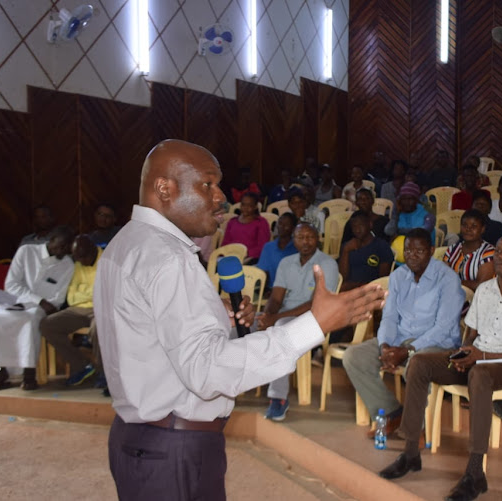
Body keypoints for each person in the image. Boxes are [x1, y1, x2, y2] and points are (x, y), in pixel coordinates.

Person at [93, 140, 385, 500]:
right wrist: (315, 324)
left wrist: (221, 320)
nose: (220, 198)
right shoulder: (167, 257)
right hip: (173, 450)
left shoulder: (126, 244)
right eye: (207, 185)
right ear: (164, 188)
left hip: (138, 438)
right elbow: (206, 372)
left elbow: (150, 335)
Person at [379, 236, 502, 501]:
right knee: (419, 363)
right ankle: (410, 453)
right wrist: (463, 354)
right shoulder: (485, 291)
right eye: (498, 252)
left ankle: (475, 473)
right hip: (477, 359)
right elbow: (471, 337)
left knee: (480, 374)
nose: (501, 257)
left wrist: (482, 355)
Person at [343, 228, 464, 436]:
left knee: (416, 363)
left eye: (419, 251)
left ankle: (416, 428)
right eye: (408, 251)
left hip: (437, 345)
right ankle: (392, 414)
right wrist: (385, 346)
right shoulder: (398, 276)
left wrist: (407, 351)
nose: (412, 256)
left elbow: (443, 328)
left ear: (431, 250)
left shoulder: (447, 279)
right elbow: (389, 317)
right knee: (354, 356)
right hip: (400, 339)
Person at [256, 222, 339, 421]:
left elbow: (316, 304)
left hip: (315, 320)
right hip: (284, 315)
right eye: (301, 237)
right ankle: (230, 386)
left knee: (281, 329)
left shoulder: (327, 264)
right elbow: (276, 298)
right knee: (243, 324)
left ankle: (278, 398)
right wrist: (267, 315)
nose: (305, 242)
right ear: (294, 240)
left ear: (318, 238)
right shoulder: (286, 262)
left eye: (310, 237)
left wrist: (275, 319)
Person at [0, 225, 75, 391]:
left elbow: (58, 298)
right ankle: (0, 372)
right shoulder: (26, 252)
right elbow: (11, 284)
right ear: (51, 240)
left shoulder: (67, 264)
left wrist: (43, 304)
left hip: (42, 309)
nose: (64, 250)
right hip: (15, 301)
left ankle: (28, 372)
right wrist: (37, 299)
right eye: (61, 245)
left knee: (29, 321)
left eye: (67, 247)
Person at [40, 235, 102, 386]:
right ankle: (81, 365)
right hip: (78, 309)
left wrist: (84, 292)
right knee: (47, 325)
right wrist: (90, 293)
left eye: (83, 257)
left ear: (92, 251)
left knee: (98, 329)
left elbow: (104, 295)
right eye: (77, 258)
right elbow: (71, 297)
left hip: (101, 309)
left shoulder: (107, 261)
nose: (80, 261)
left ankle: (104, 373)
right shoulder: (78, 263)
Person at [339, 211, 393, 291]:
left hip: (371, 290)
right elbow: (343, 277)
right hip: (349, 290)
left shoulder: (381, 246)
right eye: (354, 226)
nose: (357, 230)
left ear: (370, 225)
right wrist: (345, 251)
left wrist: (358, 285)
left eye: (360, 225)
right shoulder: (348, 246)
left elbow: (383, 279)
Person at [442, 210, 495, 291]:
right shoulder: (452, 250)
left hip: (479, 299)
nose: (468, 229)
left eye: (474, 226)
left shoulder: (488, 252)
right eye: (464, 225)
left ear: (482, 229)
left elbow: (481, 286)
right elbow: (443, 277)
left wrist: (454, 282)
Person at [221, 192, 271, 264]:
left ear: (255, 206)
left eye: (249, 205)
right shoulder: (232, 222)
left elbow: (262, 246)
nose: (245, 208)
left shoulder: (261, 223)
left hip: (251, 258)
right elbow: (225, 242)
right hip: (231, 256)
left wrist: (244, 254)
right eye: (243, 205)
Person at [256, 212, 299, 288]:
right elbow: (264, 273)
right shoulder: (268, 247)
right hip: (271, 289)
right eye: (280, 223)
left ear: (293, 228)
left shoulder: (297, 248)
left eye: (286, 225)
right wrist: (266, 290)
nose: (281, 227)